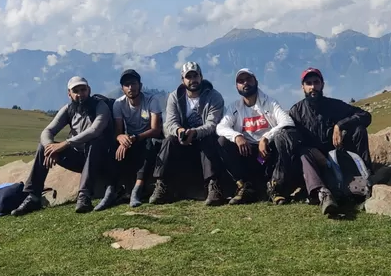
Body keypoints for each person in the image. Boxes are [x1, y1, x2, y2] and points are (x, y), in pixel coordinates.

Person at [12, 76, 113, 216]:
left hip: (100, 158)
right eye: (75, 91)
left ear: (89, 90)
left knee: (94, 142)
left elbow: (95, 130)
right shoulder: (68, 109)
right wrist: (50, 148)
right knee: (43, 146)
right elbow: (47, 131)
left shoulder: (101, 106)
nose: (80, 94)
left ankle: (84, 196)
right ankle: (33, 197)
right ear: (69, 94)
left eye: (83, 89)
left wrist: (65, 144)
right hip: (79, 158)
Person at [288, 67, 372, 215]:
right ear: (303, 87)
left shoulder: (334, 105)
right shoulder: (296, 111)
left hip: (339, 157)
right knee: (303, 152)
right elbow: (292, 138)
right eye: (309, 83)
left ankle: (365, 178)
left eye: (316, 82)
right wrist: (311, 149)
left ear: (322, 84)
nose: (313, 87)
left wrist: (340, 125)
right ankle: (323, 193)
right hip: (314, 162)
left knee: (359, 129)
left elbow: (365, 115)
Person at [216, 68, 299, 205]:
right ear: (237, 86)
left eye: (248, 79)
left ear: (256, 82)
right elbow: (220, 127)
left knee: (283, 136)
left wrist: (266, 138)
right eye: (241, 81)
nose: (245, 83)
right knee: (222, 141)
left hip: (267, 154)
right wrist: (237, 136)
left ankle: (276, 187)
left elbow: (287, 122)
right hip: (246, 154)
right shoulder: (234, 107)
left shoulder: (270, 103)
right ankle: (244, 187)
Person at [151, 61, 227, 206]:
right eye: (189, 77)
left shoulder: (214, 96)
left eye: (195, 76)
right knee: (168, 141)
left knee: (209, 138)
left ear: (201, 77)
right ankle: (161, 185)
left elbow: (212, 124)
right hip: (183, 141)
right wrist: (180, 131)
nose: (192, 80)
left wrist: (195, 132)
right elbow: (171, 122)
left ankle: (213, 186)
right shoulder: (175, 97)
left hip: (204, 141)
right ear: (183, 80)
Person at [110, 69, 164, 209]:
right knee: (114, 148)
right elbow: (118, 131)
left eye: (133, 83)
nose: (130, 87)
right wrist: (121, 139)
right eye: (127, 85)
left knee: (149, 144)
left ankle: (137, 188)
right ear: (122, 88)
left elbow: (156, 129)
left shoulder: (152, 100)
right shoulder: (118, 104)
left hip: (150, 139)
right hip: (132, 139)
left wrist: (135, 137)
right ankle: (112, 188)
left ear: (140, 85)